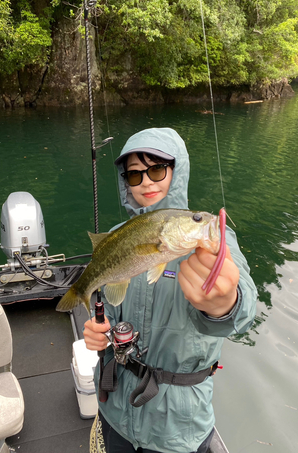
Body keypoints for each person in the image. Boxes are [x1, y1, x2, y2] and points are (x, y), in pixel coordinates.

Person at [84, 127, 257, 453]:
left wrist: (224, 304)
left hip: (176, 425)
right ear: (126, 184)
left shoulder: (213, 240)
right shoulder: (116, 236)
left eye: (157, 169)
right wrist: (99, 329)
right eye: (134, 176)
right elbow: (107, 306)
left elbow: (244, 314)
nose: (146, 182)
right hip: (115, 407)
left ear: (178, 172)